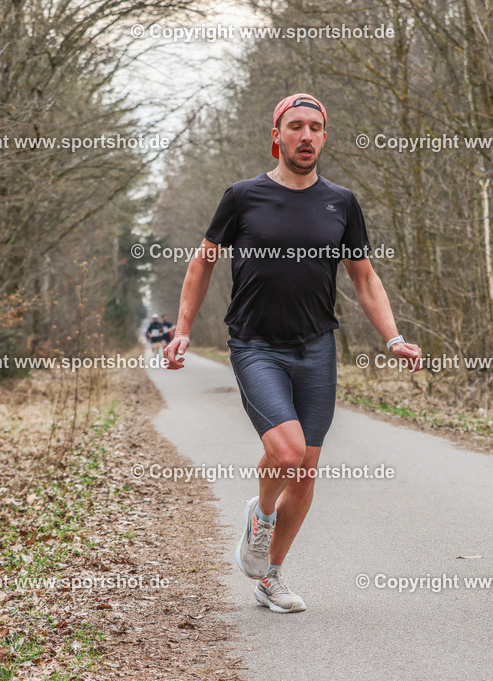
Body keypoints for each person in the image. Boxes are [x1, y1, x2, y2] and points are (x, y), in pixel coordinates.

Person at [164, 93, 422, 613]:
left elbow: (364, 278)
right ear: (276, 136)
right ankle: (259, 517)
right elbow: (202, 263)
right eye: (295, 126)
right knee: (285, 452)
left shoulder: (341, 202)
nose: (306, 135)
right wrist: (183, 328)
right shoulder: (243, 197)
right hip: (255, 343)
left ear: (325, 137)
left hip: (315, 346)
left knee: (305, 469)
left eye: (315, 127)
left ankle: (271, 578)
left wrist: (392, 337)